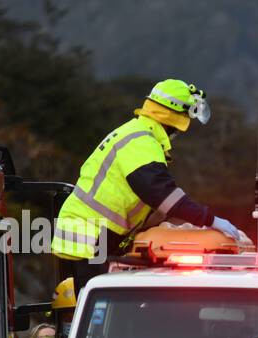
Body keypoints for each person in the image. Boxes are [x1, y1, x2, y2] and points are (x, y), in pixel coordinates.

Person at [51, 79, 246, 281]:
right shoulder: (141, 141)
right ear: (175, 117)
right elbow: (161, 194)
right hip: (90, 235)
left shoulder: (137, 133)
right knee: (96, 305)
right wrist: (209, 219)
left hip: (92, 233)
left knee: (94, 302)